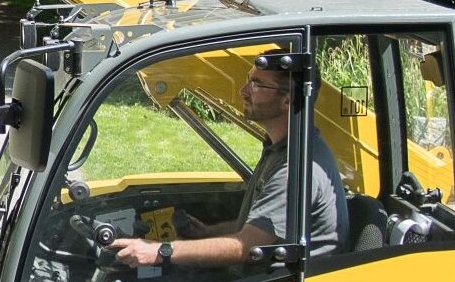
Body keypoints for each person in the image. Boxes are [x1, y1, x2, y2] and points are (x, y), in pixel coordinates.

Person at [107, 64, 344, 269]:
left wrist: (159, 252)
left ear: (287, 99)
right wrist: (209, 233)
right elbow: (262, 226)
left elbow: (248, 246)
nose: (243, 91)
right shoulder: (283, 148)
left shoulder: (295, 168)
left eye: (256, 85)